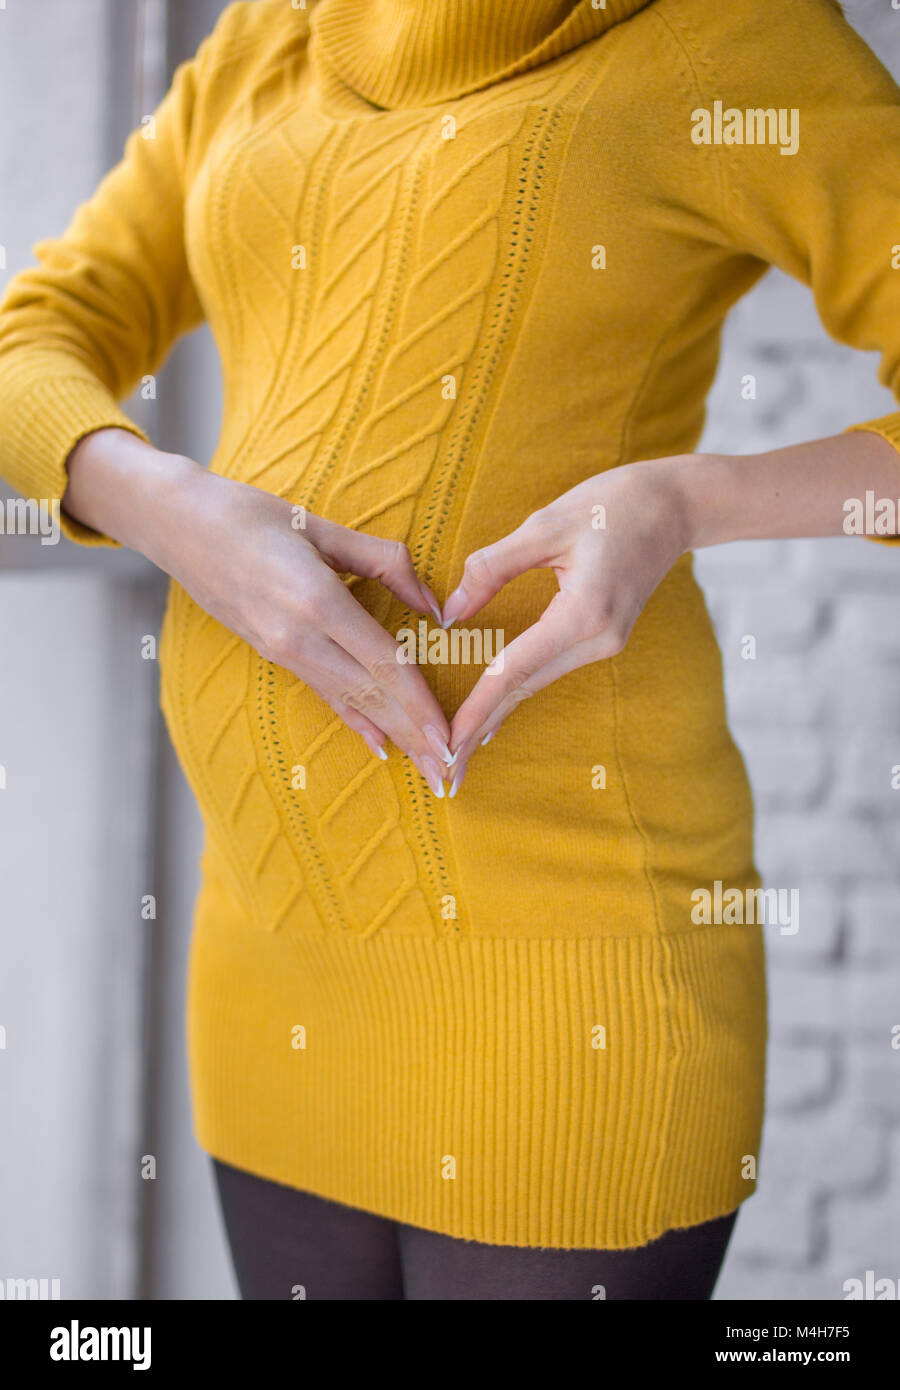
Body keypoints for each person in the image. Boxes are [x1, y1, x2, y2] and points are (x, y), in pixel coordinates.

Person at [0, 0, 898, 1300]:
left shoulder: (725, 39)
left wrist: (687, 500)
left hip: (563, 991)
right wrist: (168, 506)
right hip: (271, 965)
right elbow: (33, 335)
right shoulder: (274, 34)